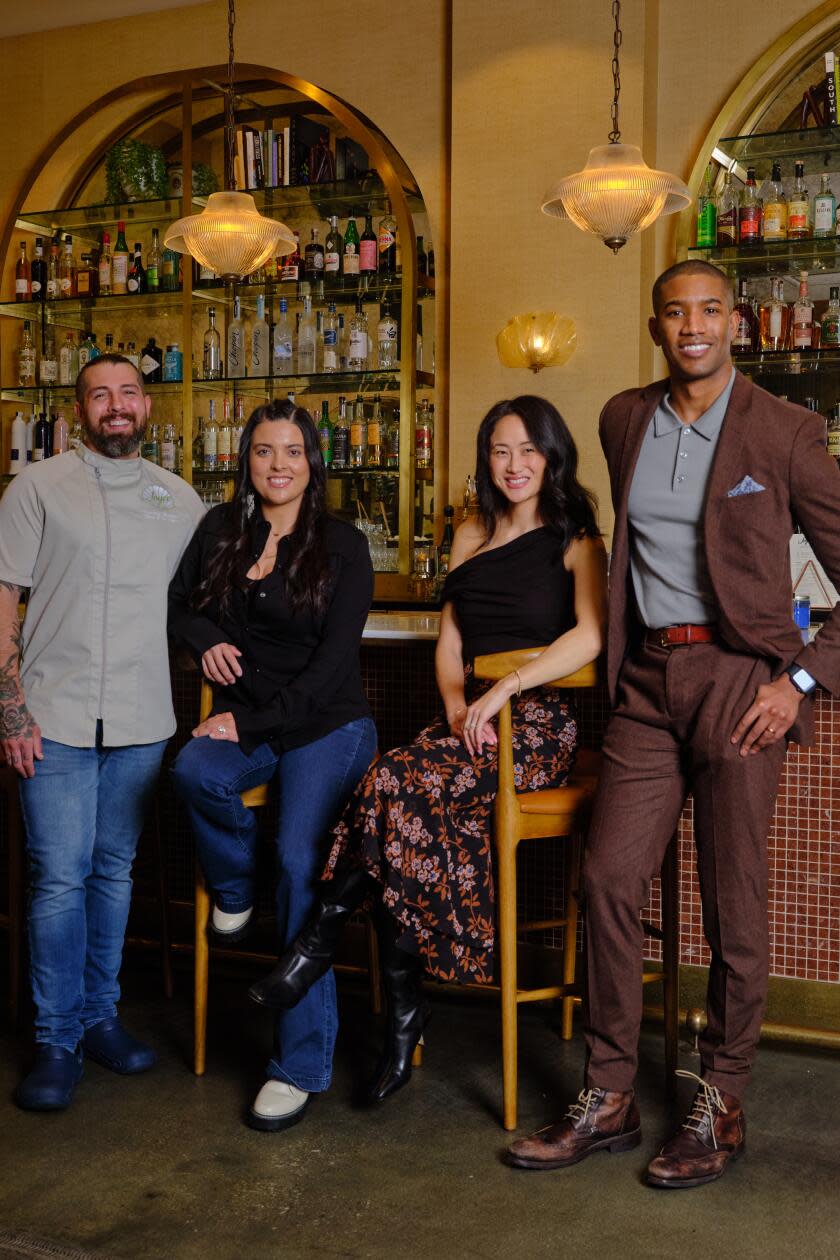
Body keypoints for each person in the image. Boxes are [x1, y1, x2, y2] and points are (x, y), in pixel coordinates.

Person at [508, 259, 840, 1188]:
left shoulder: (786, 431)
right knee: (610, 879)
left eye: (709, 310)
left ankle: (720, 1100)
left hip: (741, 684)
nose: (692, 325)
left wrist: (800, 682)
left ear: (737, 322)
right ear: (655, 326)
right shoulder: (623, 418)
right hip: (646, 683)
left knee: (735, 902)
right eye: (674, 313)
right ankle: (608, 1094)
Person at [247, 395, 607, 1106]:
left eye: (528, 450)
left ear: (552, 455)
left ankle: (324, 949)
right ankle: (401, 1015)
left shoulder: (576, 536)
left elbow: (590, 637)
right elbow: (450, 644)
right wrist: (455, 705)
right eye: (501, 451)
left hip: (536, 727)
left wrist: (503, 691)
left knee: (388, 787)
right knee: (392, 797)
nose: (514, 465)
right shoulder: (470, 533)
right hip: (467, 722)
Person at [0, 354, 205, 1111]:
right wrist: (10, 709)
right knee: (59, 876)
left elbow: (205, 605)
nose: (115, 406)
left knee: (112, 872)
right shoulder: (36, 489)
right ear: (77, 410)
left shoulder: (178, 499)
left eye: (127, 394)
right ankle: (55, 1038)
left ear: (146, 407)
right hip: (50, 718)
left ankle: (99, 1018)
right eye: (99, 396)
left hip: (143, 719)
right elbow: (3, 601)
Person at [169, 399, 377, 1133]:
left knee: (298, 862)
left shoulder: (343, 544)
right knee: (194, 770)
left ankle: (298, 1065)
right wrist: (205, 639)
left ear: (312, 461)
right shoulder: (223, 531)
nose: (277, 465)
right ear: (246, 460)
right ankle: (234, 888)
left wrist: (246, 717)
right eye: (263, 451)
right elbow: (180, 604)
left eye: (292, 451)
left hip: (326, 726)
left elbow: (328, 673)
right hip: (252, 723)